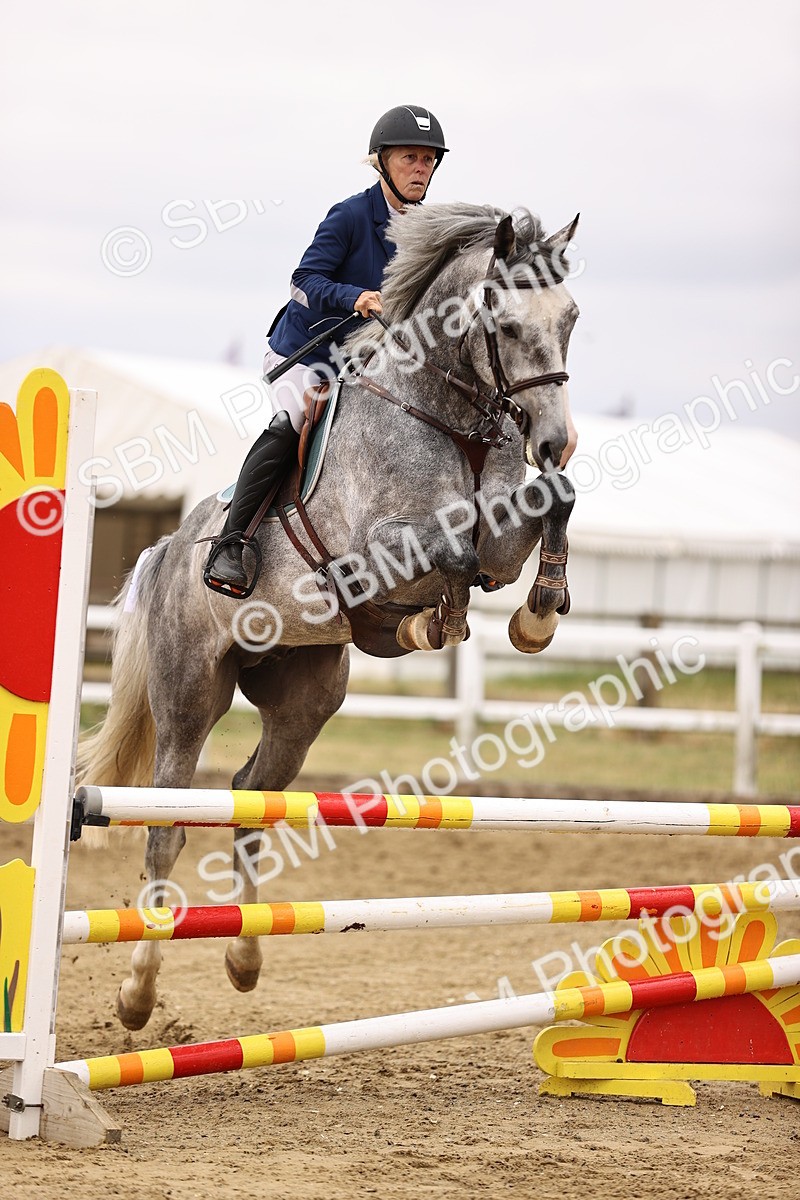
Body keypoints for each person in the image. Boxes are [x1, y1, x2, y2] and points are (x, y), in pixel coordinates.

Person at [204, 105, 448, 595]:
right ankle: (230, 544)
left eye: (428, 159)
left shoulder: (432, 228)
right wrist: (353, 297)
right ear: (382, 161)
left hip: (367, 363)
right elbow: (304, 280)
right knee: (292, 423)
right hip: (305, 354)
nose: (421, 168)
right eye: (410, 158)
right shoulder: (350, 215)